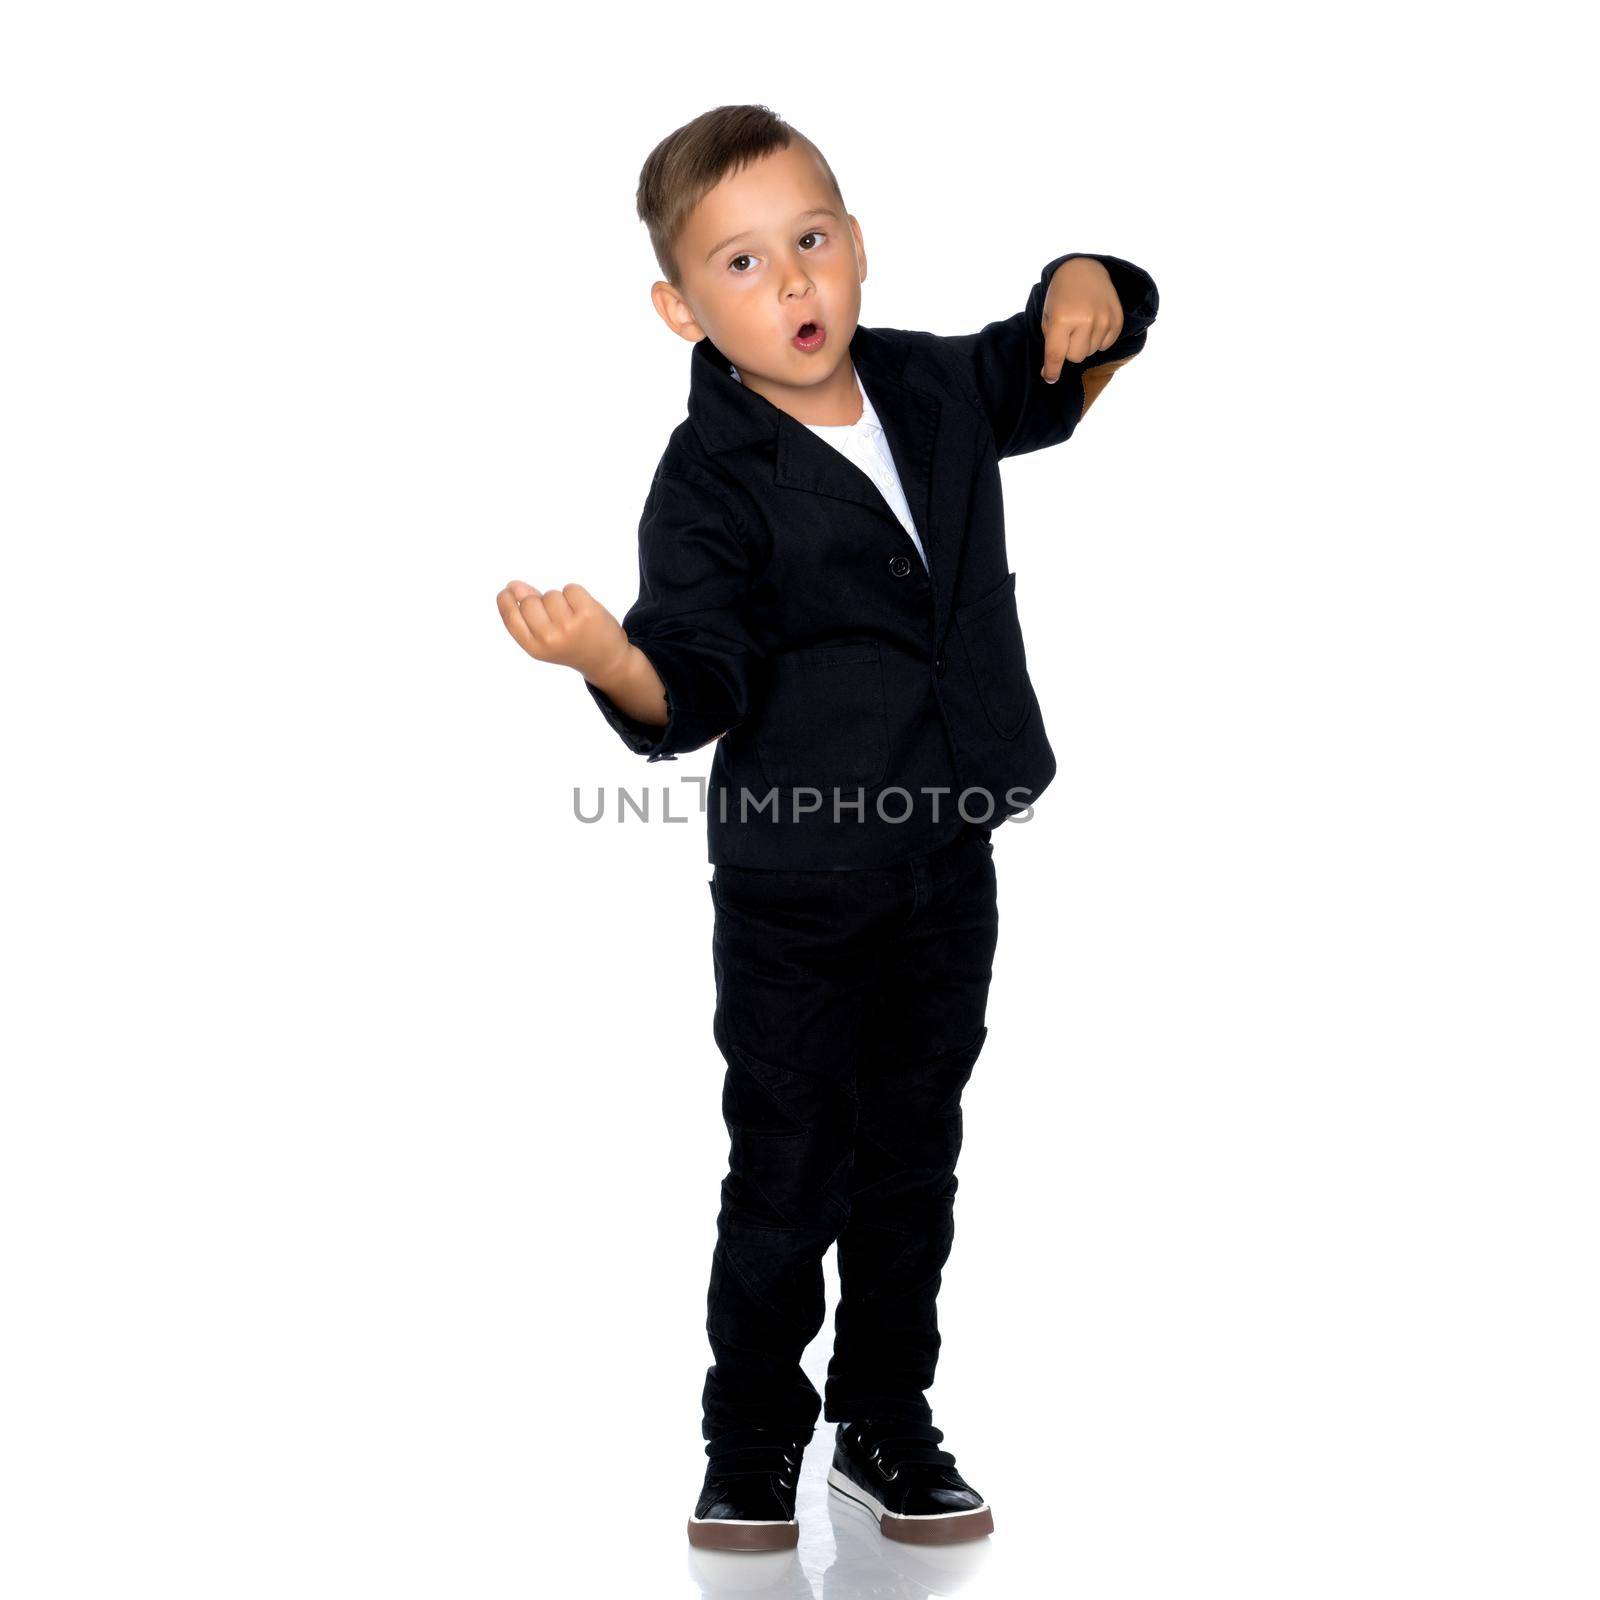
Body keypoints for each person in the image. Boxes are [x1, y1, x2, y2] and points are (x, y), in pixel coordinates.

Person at [495, 103, 1159, 1552]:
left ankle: (883, 1421)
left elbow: (1062, 365)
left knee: (914, 1158)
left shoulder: (928, 387)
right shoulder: (710, 479)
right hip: (797, 883)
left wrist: (1089, 282)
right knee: (790, 1166)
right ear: (680, 305)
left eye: (809, 242)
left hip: (945, 862)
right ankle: (749, 1442)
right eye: (742, 263)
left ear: (855, 246)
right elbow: (697, 680)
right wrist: (611, 659)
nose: (789, 284)